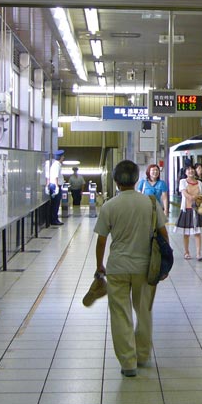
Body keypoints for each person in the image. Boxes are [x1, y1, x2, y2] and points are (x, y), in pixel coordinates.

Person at [82, 160, 168, 376]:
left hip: (117, 268)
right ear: (137, 179)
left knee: (120, 314)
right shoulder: (150, 203)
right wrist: (165, 266)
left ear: (116, 181)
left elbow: (101, 240)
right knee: (144, 311)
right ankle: (143, 355)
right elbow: (164, 236)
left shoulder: (110, 206)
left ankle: (128, 362)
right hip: (145, 268)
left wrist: (100, 266)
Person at [177, 165, 202, 260]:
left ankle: (198, 253)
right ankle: (186, 252)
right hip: (186, 209)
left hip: (196, 210)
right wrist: (194, 197)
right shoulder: (183, 182)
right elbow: (185, 194)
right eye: (188, 169)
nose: (191, 171)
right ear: (185, 172)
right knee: (186, 233)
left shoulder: (199, 183)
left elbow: (201, 195)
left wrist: (197, 198)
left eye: (192, 169)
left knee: (197, 232)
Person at [46, 150, 64, 226]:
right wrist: (57, 186)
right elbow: (56, 176)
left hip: (53, 185)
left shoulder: (55, 164)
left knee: (55, 203)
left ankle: (54, 219)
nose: (63, 158)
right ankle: (54, 220)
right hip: (55, 186)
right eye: (63, 156)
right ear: (60, 157)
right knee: (55, 204)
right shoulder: (56, 165)